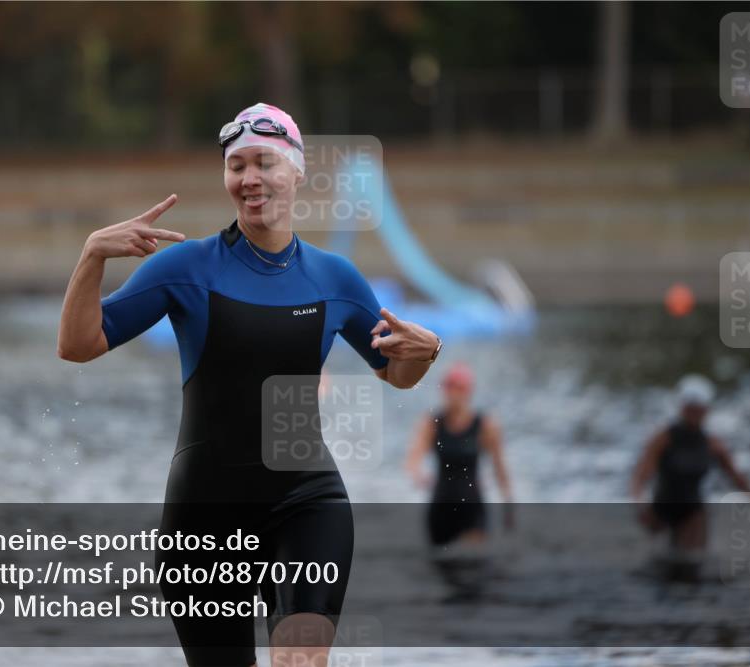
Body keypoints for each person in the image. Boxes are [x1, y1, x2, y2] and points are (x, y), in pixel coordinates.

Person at [57, 102, 442, 667]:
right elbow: (78, 344)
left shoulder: (334, 278)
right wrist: (92, 255)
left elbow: (395, 373)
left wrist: (427, 353)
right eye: (237, 166)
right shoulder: (186, 268)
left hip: (307, 502)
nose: (250, 178)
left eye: (265, 162)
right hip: (204, 516)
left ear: (296, 172)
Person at [631, 374, 750, 551]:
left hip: (693, 512)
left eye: (699, 409)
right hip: (661, 509)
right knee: (658, 566)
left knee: (691, 564)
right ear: (681, 407)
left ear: (706, 410)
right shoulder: (663, 439)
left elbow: (739, 481)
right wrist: (640, 505)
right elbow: (640, 478)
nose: (694, 414)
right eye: (690, 409)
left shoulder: (713, 444)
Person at [404, 362, 513, 547]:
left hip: (472, 507)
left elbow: (499, 467)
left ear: (469, 392)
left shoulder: (485, 425)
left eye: (459, 388)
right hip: (440, 507)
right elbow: (413, 457)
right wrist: (417, 474)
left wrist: (508, 502)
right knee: (442, 566)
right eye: (449, 387)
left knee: (475, 565)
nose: (454, 394)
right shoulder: (432, 423)